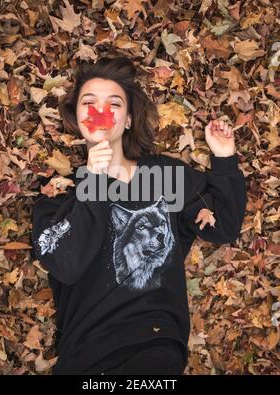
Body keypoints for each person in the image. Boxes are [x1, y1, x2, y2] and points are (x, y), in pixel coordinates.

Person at [31, 56, 247, 375]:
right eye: (89, 102)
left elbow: (224, 227)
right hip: (84, 350)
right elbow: (65, 263)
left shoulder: (166, 178)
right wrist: (94, 179)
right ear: (77, 118)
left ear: (129, 120)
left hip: (152, 341)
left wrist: (225, 159)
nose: (101, 111)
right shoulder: (57, 193)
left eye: (114, 103)